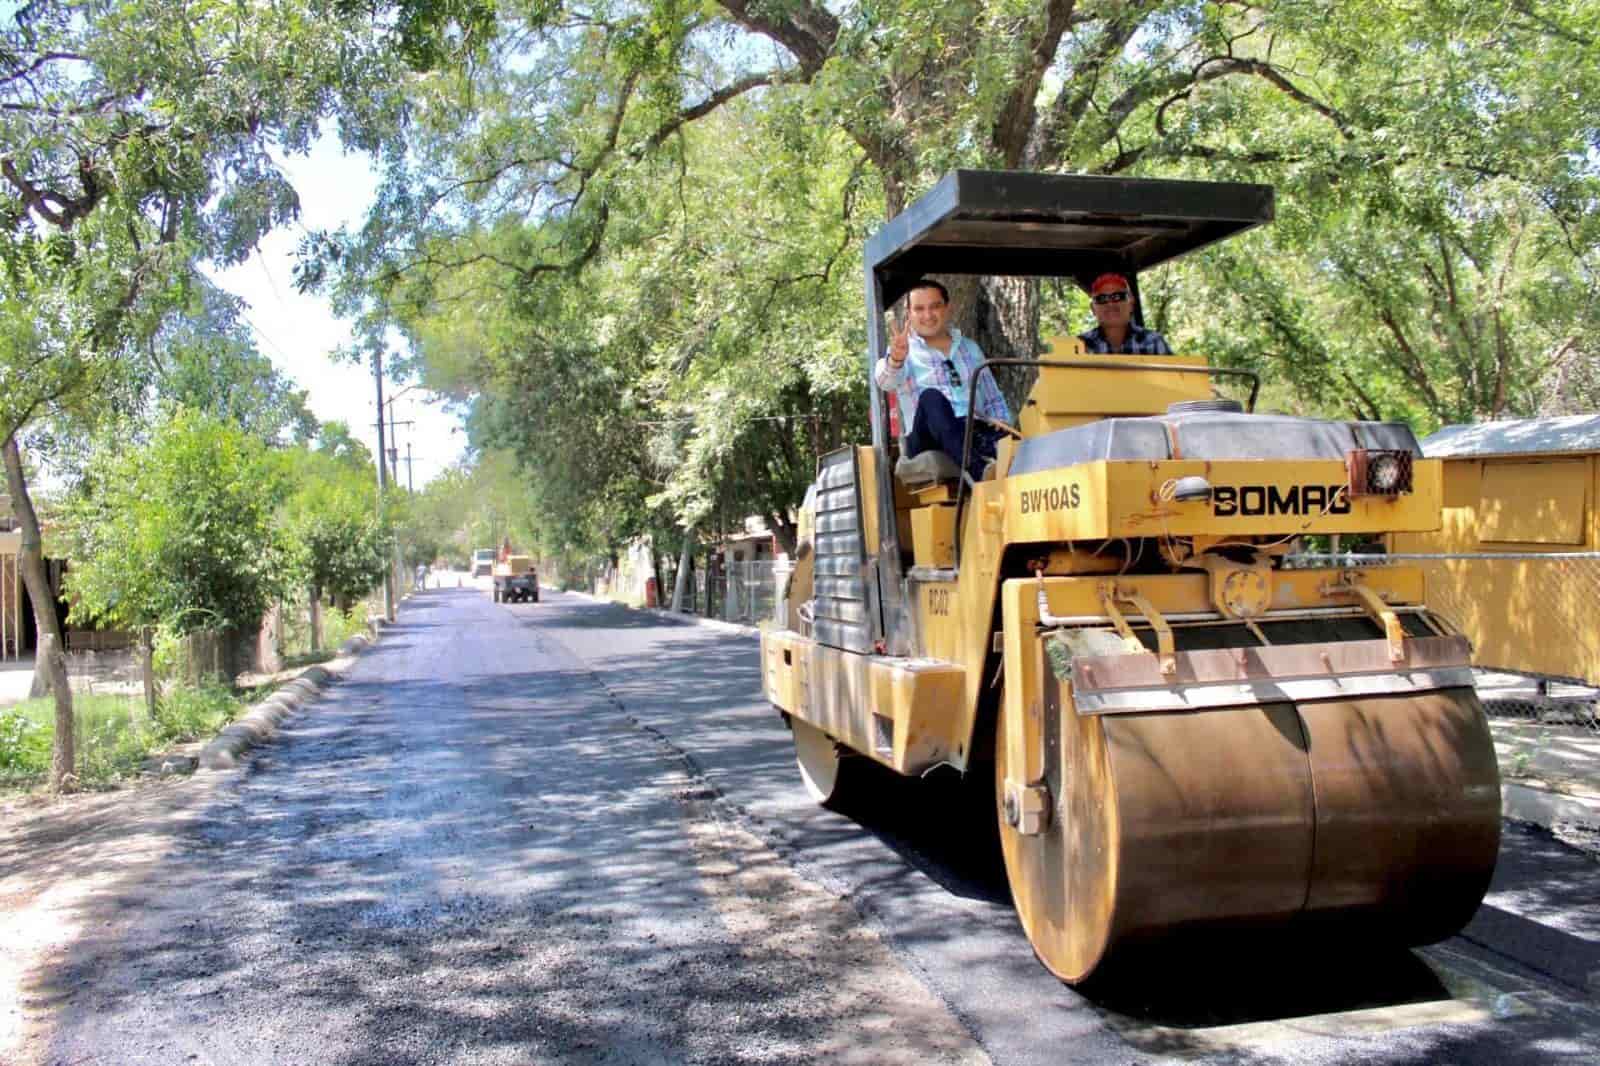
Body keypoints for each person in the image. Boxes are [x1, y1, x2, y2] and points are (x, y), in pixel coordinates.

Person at [874, 280, 1013, 481]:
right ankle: (978, 470)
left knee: (1022, 446)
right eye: (919, 309)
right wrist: (896, 359)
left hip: (973, 430)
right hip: (927, 436)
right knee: (931, 398)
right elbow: (885, 381)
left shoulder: (970, 348)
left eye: (935, 306)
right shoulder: (903, 351)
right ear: (909, 313)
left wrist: (1001, 420)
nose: (928, 315)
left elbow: (993, 398)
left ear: (947, 308)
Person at [1077, 272, 1172, 355]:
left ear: (1131, 303)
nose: (1110, 304)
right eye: (1101, 299)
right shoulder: (1079, 345)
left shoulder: (1153, 342)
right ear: (1093, 309)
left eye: (1118, 296)